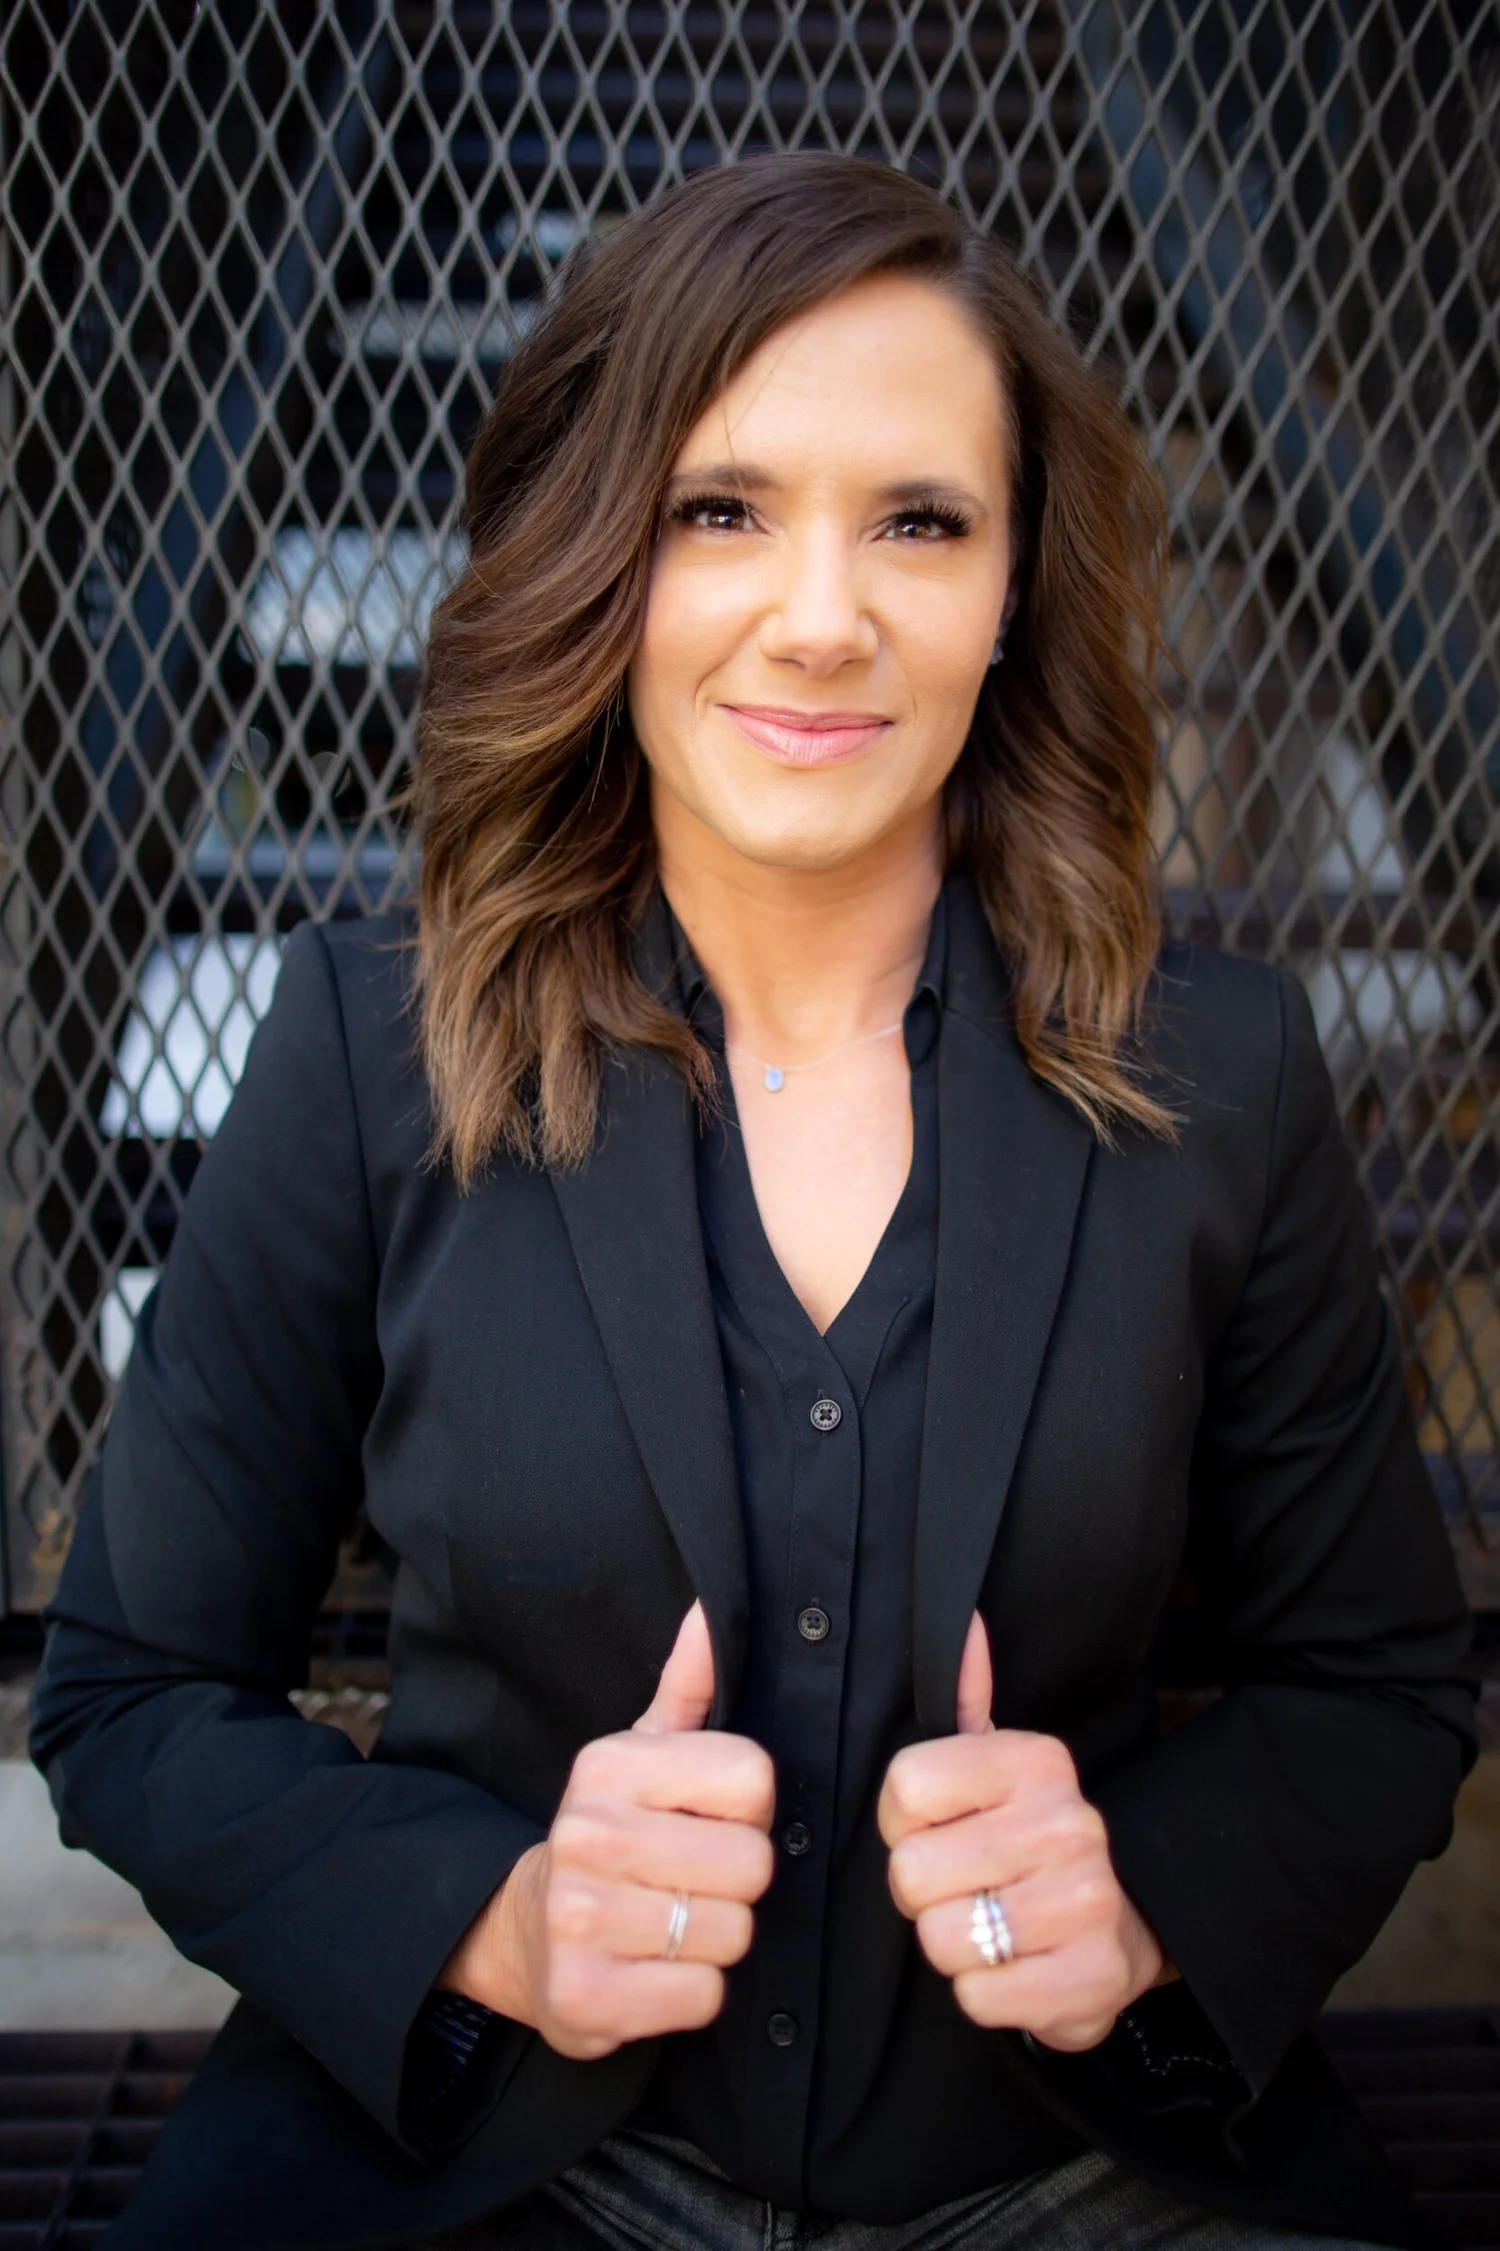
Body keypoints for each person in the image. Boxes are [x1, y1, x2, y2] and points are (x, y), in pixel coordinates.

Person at [31, 154, 1473, 2251]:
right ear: (603, 549)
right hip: (499, 2163)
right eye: (721, 509)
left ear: (1013, 585)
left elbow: (1377, 1685)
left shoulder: (1223, 1075)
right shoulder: (366, 1052)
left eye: (921, 521)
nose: (821, 615)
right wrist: (498, 1924)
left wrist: (1148, 1909)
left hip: (1071, 2162)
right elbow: (134, 1690)